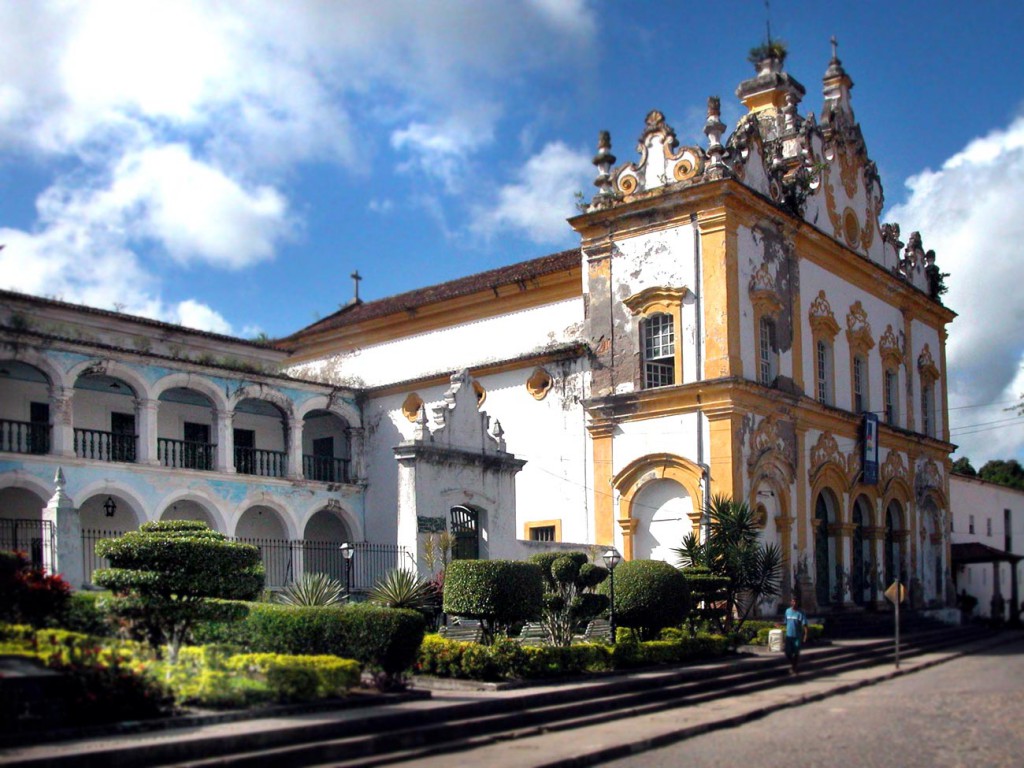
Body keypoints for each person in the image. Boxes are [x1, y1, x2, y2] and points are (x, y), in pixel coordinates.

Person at [783, 597, 808, 675]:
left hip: (797, 636)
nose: (794, 603)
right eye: (792, 601)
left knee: (796, 653)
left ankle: (794, 668)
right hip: (789, 636)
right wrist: (779, 624)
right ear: (791, 602)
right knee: (787, 652)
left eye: (795, 602)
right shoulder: (787, 611)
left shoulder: (801, 612)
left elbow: (805, 624)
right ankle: (792, 664)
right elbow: (785, 622)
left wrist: (805, 635)